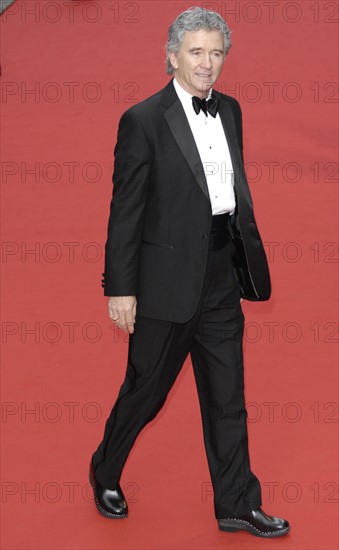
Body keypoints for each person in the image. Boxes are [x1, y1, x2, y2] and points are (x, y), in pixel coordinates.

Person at [89, 6, 290, 538]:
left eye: (216, 52)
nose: (207, 63)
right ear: (172, 55)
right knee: (146, 391)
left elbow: (228, 191)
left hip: (221, 274)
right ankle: (105, 468)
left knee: (228, 397)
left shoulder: (231, 111)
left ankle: (237, 503)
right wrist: (122, 287)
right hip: (163, 283)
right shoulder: (143, 121)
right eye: (196, 52)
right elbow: (125, 209)